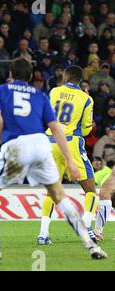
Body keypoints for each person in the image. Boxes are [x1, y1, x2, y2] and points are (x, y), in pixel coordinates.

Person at [0, 58, 106, 261]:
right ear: (30, 76)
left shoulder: (15, 91)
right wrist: (70, 158)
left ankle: (4, 246)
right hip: (49, 144)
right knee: (65, 193)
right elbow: (68, 126)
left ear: (10, 74)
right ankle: (89, 242)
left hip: (29, 143)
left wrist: (3, 141)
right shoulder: (42, 95)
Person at [37, 66, 105, 245]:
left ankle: (43, 234)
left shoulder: (54, 91)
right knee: (91, 189)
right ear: (80, 80)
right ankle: (87, 228)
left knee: (52, 191)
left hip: (50, 141)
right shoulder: (86, 99)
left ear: (66, 77)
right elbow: (86, 128)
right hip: (71, 142)